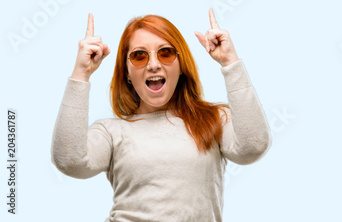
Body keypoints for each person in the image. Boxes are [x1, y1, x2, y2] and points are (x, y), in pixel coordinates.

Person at [51, 9, 271, 222]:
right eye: (139, 56)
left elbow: (253, 147)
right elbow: (69, 162)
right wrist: (81, 73)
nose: (154, 65)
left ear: (181, 65)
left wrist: (230, 63)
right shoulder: (110, 132)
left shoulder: (215, 119)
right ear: (127, 73)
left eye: (165, 53)